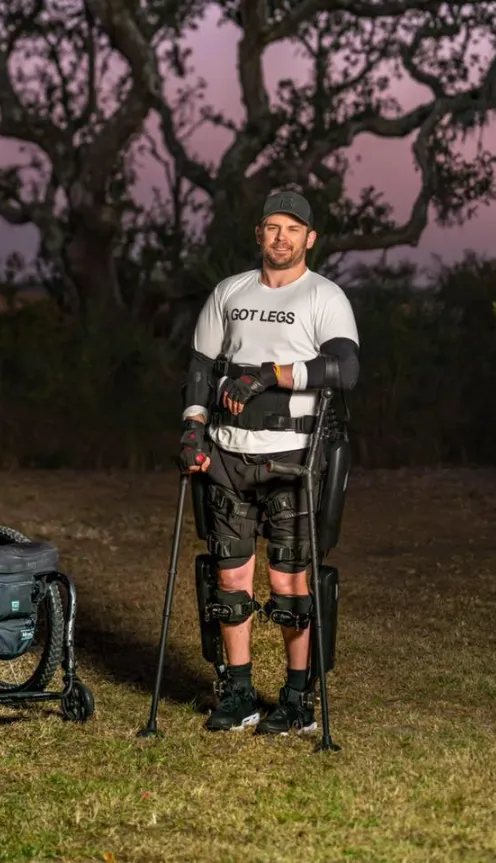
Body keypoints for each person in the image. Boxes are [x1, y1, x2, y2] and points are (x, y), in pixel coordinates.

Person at [178, 189, 359, 735]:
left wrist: (270, 375)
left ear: (309, 239)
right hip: (227, 456)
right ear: (259, 233)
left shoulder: (324, 297)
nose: (282, 238)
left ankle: (297, 700)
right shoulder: (228, 292)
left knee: (289, 585)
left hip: (294, 459)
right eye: (272, 227)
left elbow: (345, 369)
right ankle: (237, 694)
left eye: (292, 229)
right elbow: (202, 367)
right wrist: (191, 427)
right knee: (229, 579)